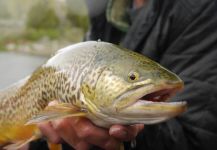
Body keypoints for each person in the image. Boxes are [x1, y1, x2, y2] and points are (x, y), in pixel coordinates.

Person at [30, 0, 217, 149]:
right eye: (133, 77)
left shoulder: (203, 9)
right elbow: (48, 117)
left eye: (132, 77)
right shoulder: (105, 10)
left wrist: (123, 135)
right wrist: (33, 144)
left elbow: (196, 137)